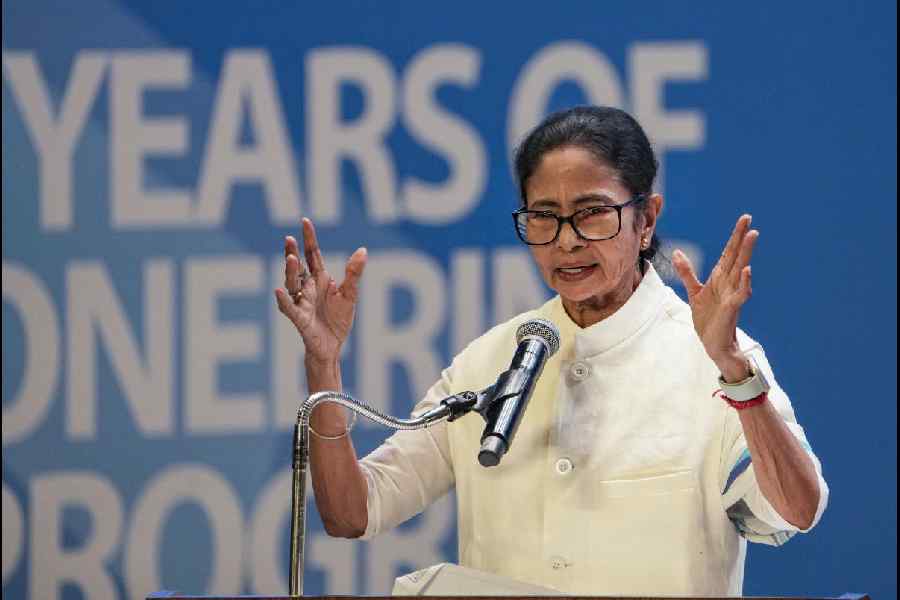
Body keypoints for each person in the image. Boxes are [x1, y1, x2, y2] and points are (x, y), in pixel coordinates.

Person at [274, 106, 828, 596]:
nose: (566, 240)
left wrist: (735, 371)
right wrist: (323, 364)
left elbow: (797, 510)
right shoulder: (490, 359)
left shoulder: (714, 358)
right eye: (543, 215)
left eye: (591, 213)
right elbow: (353, 511)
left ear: (646, 219)